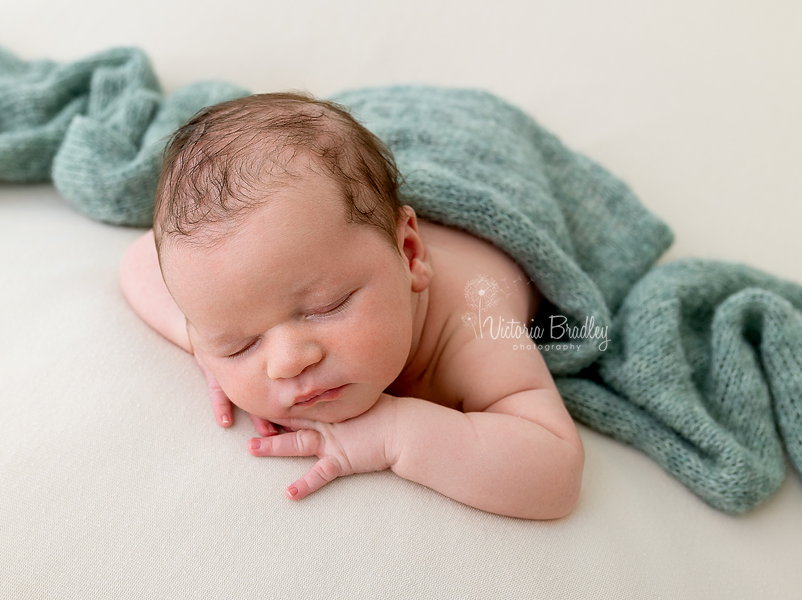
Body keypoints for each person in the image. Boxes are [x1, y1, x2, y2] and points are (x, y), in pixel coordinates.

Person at [119, 92, 584, 519]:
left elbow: (556, 471)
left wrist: (396, 433)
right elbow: (138, 260)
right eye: (240, 343)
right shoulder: (238, 280)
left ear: (409, 255)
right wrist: (205, 348)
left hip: (473, 153)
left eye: (327, 306)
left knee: (338, 173)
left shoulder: (473, 328)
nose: (287, 363)